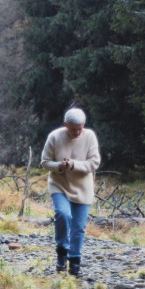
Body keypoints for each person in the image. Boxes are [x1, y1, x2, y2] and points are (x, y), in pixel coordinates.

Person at [40, 108, 101, 276]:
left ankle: (75, 261)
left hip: (83, 187)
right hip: (59, 184)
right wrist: (59, 166)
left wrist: (74, 165)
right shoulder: (55, 137)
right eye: (73, 129)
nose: (77, 132)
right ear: (65, 125)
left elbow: (94, 163)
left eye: (80, 128)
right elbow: (45, 162)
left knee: (79, 227)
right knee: (62, 214)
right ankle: (61, 251)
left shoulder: (89, 137)